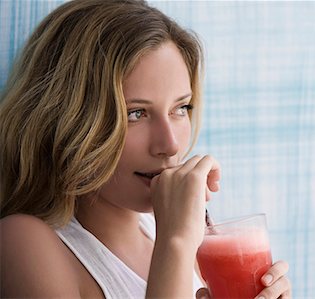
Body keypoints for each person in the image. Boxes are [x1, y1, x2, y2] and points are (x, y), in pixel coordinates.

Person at [0, 0, 291, 298]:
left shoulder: (177, 235)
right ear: (68, 118)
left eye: (180, 108)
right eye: (136, 113)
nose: (170, 145)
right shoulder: (23, 241)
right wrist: (176, 241)